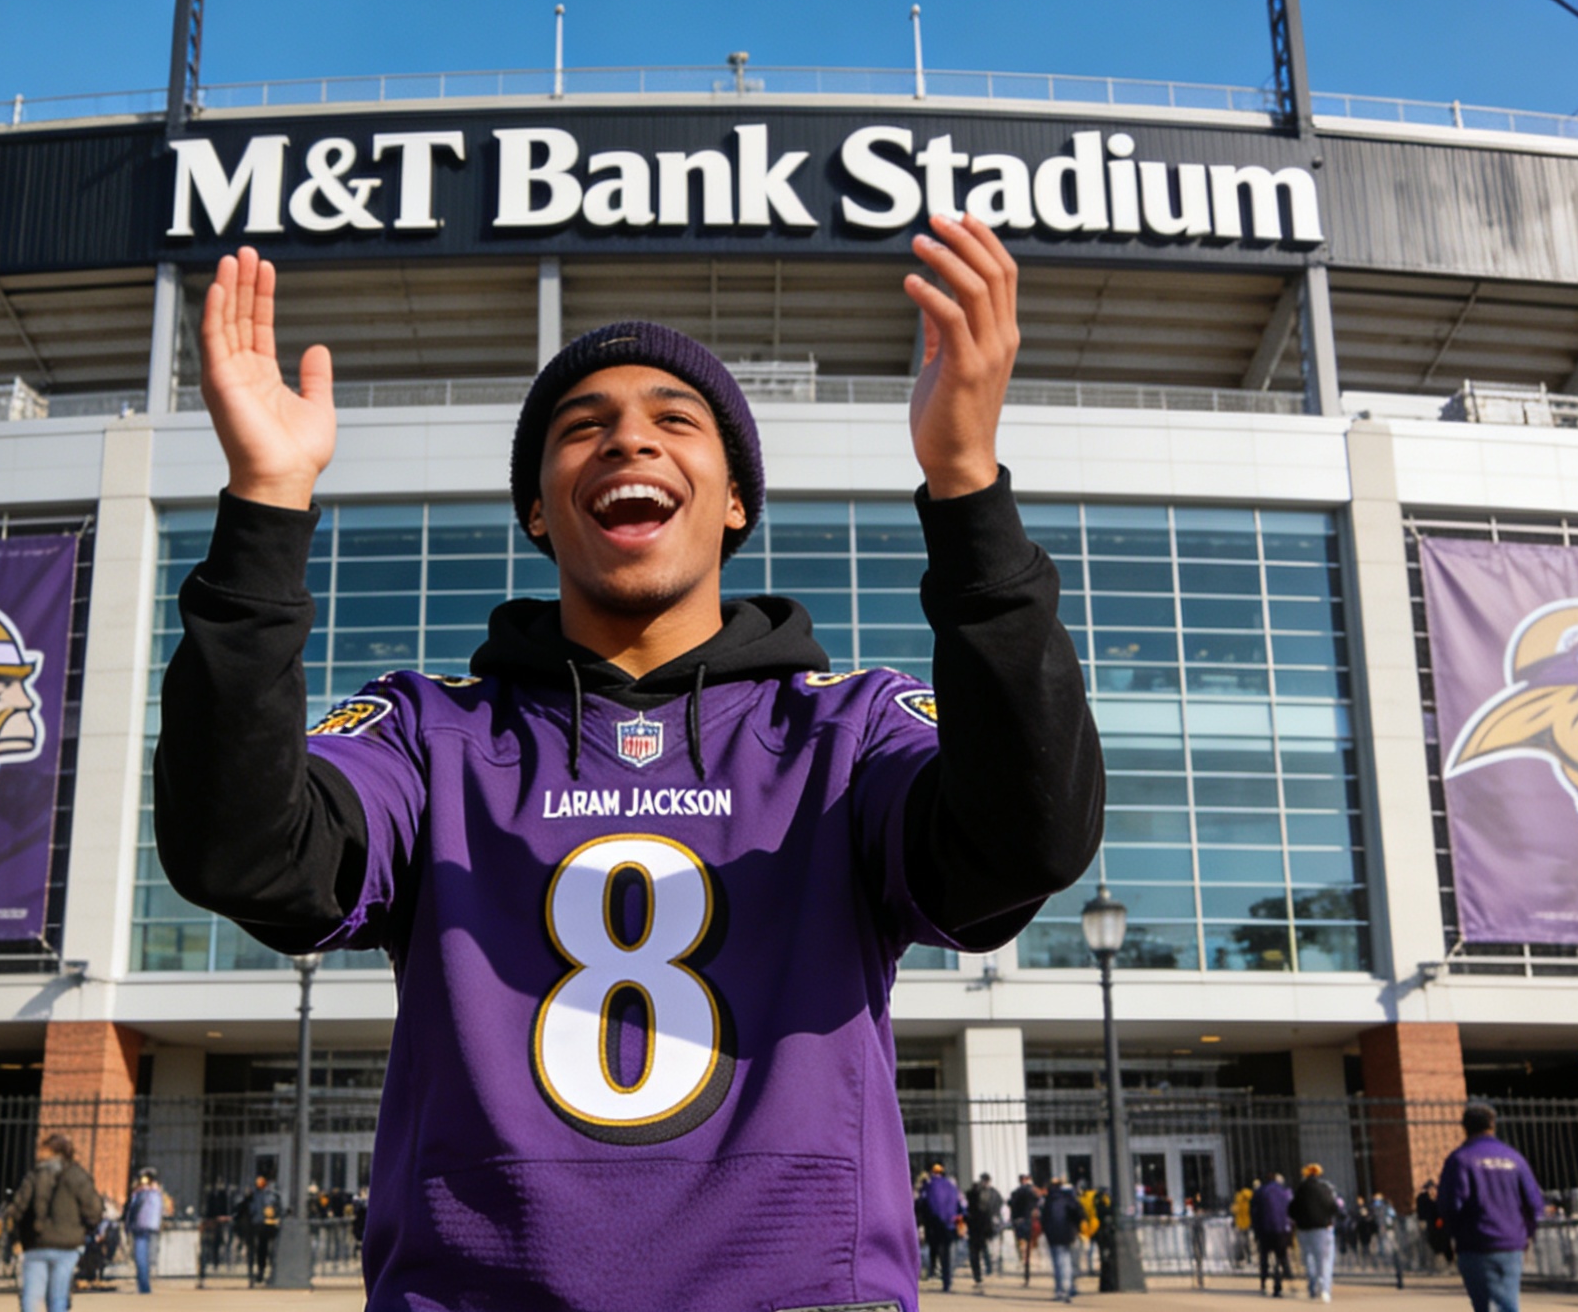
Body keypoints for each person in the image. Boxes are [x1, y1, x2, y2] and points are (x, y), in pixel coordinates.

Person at [152, 220, 1101, 1310]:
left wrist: (968, 485)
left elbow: (1025, 839)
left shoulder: (849, 730)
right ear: (536, 512)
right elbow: (242, 850)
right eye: (583, 426)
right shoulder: (429, 731)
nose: (629, 440)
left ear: (736, 498)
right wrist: (266, 506)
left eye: (675, 419)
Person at [1436, 1104, 1546, 1312]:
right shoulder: (1514, 1158)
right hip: (1511, 1243)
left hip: (1475, 1243)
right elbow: (1534, 1203)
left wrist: (1452, 1235)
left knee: (1487, 1306)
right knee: (1507, 1302)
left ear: (1465, 1127)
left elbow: (1450, 1204)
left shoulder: (1460, 1160)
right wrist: (1526, 1234)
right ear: (1492, 1125)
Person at [6, 1135, 102, 1312]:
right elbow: (94, 1209)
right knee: (58, 1296)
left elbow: (18, 1208)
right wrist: (86, 1230)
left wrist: (16, 1233)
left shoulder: (34, 1175)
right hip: (67, 1243)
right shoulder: (77, 1175)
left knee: (31, 1295)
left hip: (36, 1242)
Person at [1289, 1162, 1341, 1303]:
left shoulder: (1300, 1190)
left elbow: (1291, 1210)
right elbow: (1334, 1207)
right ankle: (1324, 1289)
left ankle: (1312, 1285)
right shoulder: (1325, 1188)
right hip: (1323, 1229)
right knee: (1324, 1260)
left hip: (1304, 1230)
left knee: (1309, 1259)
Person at [918, 1163, 965, 1293]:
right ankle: (947, 1281)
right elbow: (961, 1205)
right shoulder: (951, 1186)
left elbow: (921, 1204)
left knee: (934, 1250)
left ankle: (933, 1272)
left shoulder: (928, 1186)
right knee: (947, 1254)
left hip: (934, 1225)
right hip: (949, 1225)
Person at [1038, 1177, 1085, 1304]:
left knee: (1059, 1263)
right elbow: (1079, 1213)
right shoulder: (1068, 1198)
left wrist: (1047, 1232)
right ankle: (1068, 1288)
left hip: (1054, 1236)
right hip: (1069, 1233)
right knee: (1068, 1262)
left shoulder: (1048, 1201)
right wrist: (1076, 1227)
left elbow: (1043, 1220)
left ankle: (1061, 1290)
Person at [125, 1169, 168, 1295]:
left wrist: (128, 1225)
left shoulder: (141, 1193)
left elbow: (132, 1210)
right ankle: (145, 1283)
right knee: (148, 1257)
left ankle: (144, 1285)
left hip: (141, 1226)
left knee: (141, 1257)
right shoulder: (158, 1194)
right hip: (153, 1226)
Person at [1254, 1171, 1294, 1296]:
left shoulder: (1260, 1192)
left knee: (1265, 1256)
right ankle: (1278, 1282)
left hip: (1265, 1229)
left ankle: (1264, 1280)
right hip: (1281, 1229)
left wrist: (1256, 1231)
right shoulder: (1284, 1191)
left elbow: (1255, 1212)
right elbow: (1290, 1210)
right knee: (1279, 1256)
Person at [236, 1174, 279, 1288]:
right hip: (253, 1227)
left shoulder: (270, 1195)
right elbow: (242, 1208)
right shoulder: (252, 1196)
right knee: (253, 1251)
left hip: (265, 1227)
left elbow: (273, 1207)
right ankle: (253, 1274)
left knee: (264, 1251)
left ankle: (262, 1272)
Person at [965, 1172, 1002, 1288]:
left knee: (982, 1250)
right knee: (978, 1251)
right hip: (979, 1227)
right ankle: (981, 1274)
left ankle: (986, 1270)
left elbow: (998, 1207)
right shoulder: (976, 1193)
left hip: (984, 1227)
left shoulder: (993, 1193)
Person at [1009, 1174, 1041, 1286]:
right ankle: (1028, 1268)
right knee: (1030, 1247)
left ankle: (1026, 1269)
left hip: (1019, 1222)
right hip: (1031, 1221)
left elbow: (1011, 1205)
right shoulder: (1034, 1192)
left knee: (1023, 1247)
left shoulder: (1015, 1192)